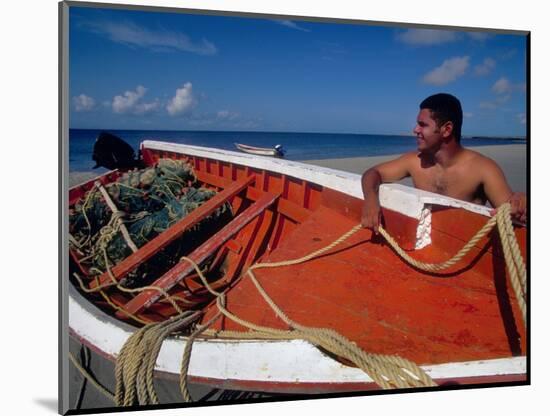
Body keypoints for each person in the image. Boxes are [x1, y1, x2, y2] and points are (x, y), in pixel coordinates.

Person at [361, 93, 527, 234]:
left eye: (422, 125)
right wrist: (371, 199)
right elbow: (373, 173)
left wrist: (521, 204)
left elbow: (511, 213)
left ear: (447, 129)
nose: (415, 130)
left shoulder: (483, 169)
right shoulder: (414, 161)